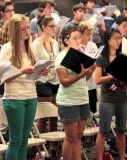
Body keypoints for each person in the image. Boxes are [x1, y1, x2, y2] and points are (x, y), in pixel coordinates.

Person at [0, 14, 46, 160]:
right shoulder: (7, 48)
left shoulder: (29, 48)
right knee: (16, 141)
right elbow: (2, 77)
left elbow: (30, 76)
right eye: (23, 29)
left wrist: (39, 71)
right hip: (14, 98)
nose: (27, 31)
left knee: (25, 140)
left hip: (30, 96)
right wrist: (22, 71)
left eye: (27, 28)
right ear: (15, 31)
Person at [95, 29, 127, 160]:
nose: (119, 41)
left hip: (123, 97)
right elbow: (98, 79)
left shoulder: (122, 57)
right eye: (116, 38)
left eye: (120, 38)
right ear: (108, 40)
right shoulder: (102, 59)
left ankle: (122, 157)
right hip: (108, 99)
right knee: (103, 131)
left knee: (121, 130)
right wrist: (112, 75)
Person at [55, 27, 92, 160]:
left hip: (82, 98)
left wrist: (89, 70)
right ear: (66, 41)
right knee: (70, 137)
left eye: (79, 38)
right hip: (68, 101)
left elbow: (85, 78)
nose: (78, 41)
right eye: (74, 38)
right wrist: (81, 74)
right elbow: (64, 81)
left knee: (79, 135)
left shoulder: (80, 55)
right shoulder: (61, 57)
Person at [32, 16, 60, 153]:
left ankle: (52, 146)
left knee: (54, 114)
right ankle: (40, 148)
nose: (54, 29)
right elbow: (33, 63)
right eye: (51, 26)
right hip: (42, 80)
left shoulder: (55, 43)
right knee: (43, 116)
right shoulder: (35, 44)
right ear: (44, 27)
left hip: (54, 79)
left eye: (55, 26)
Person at [78, 21, 98, 113]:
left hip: (92, 85)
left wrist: (93, 66)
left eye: (90, 34)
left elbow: (97, 61)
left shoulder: (92, 45)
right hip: (81, 85)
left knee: (92, 111)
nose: (89, 37)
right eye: (87, 34)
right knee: (83, 113)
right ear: (80, 34)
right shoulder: (77, 47)